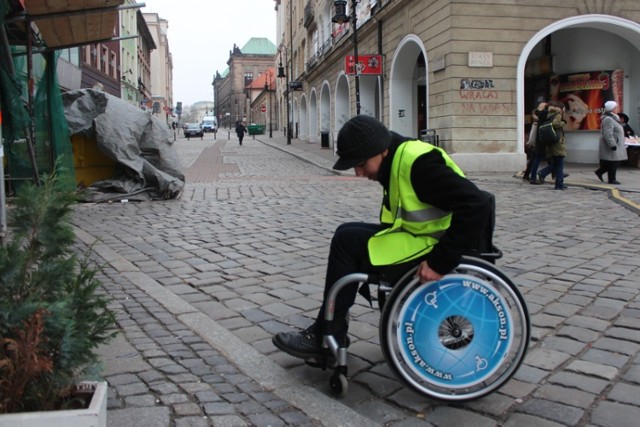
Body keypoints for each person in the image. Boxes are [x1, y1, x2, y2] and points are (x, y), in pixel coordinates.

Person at [272, 115, 492, 360]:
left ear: (381, 151)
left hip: (434, 245)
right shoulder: (395, 157)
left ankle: (327, 335)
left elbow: (477, 204)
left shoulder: (419, 164)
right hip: (418, 237)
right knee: (345, 233)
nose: (358, 173)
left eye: (361, 164)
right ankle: (330, 332)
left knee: (347, 243)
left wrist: (440, 262)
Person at [537, 100, 568, 190]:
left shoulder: (548, 115)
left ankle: (545, 174)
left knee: (557, 164)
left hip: (550, 143)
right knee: (559, 165)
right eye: (564, 109)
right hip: (557, 143)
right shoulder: (557, 115)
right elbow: (555, 124)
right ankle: (559, 184)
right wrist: (563, 123)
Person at [595, 101, 627, 185]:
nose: (617, 109)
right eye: (615, 107)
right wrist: (612, 144)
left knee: (614, 162)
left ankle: (600, 172)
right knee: (613, 162)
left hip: (616, 143)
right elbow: (607, 133)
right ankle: (612, 179)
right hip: (612, 144)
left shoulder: (614, 118)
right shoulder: (608, 119)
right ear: (612, 109)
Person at [527, 102, 547, 185]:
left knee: (535, 159)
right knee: (537, 159)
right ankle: (537, 176)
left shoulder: (537, 116)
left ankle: (531, 175)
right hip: (540, 142)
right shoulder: (542, 116)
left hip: (538, 142)